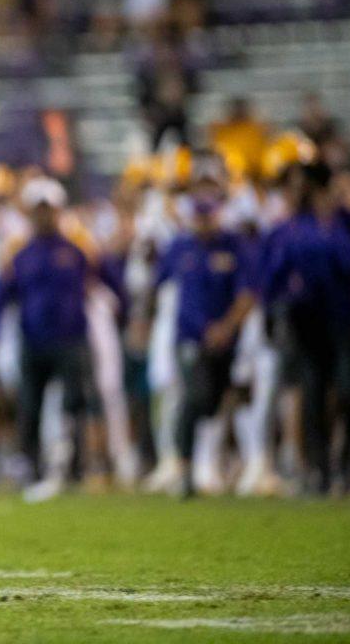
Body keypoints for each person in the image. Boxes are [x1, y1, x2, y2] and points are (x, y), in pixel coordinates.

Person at [0, 177, 95, 502]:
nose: (44, 216)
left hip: (70, 339)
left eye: (48, 210)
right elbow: (2, 295)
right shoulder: (20, 255)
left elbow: (104, 284)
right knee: (30, 407)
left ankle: (77, 469)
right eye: (38, 210)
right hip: (33, 339)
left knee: (75, 404)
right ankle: (32, 468)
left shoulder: (76, 251)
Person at [265, 162, 350, 494]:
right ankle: (319, 467)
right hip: (308, 321)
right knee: (313, 391)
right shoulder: (296, 228)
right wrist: (277, 307)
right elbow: (276, 275)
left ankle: (346, 456)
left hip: (347, 318)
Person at [153, 174, 256, 499]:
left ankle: (228, 464)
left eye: (207, 213)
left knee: (218, 402)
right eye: (198, 213)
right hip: (189, 337)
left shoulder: (233, 246)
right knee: (194, 397)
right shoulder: (179, 246)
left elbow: (247, 293)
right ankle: (183, 468)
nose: (203, 220)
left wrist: (226, 327)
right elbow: (161, 286)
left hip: (227, 339)